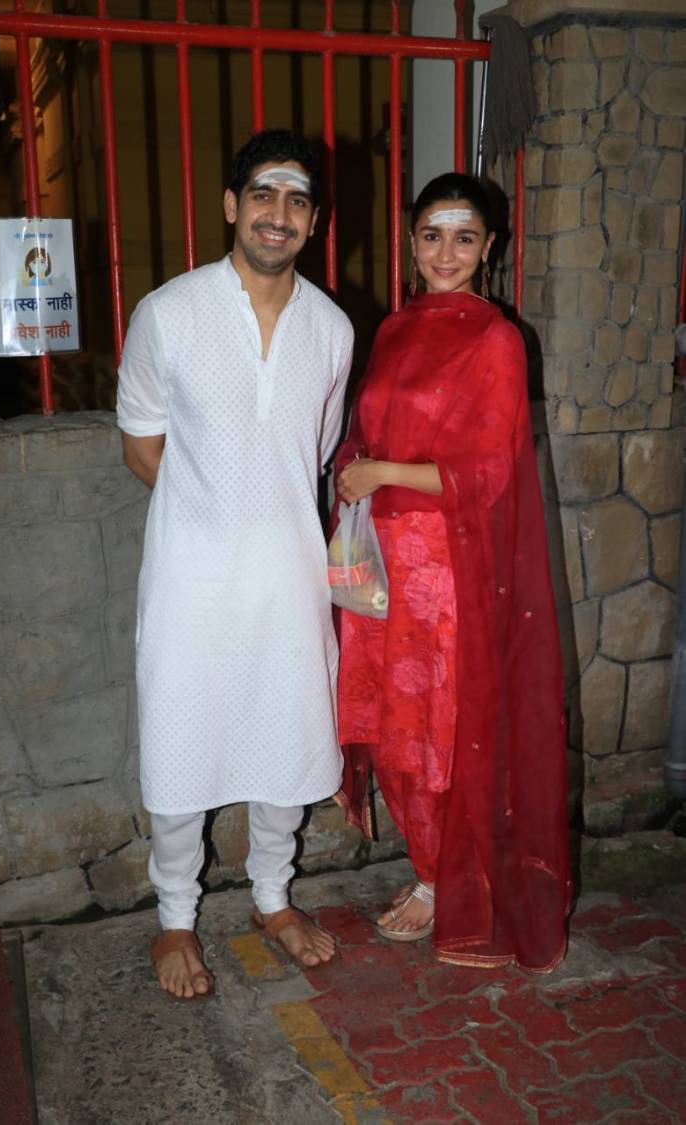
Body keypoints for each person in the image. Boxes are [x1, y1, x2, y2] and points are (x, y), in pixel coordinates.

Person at [117, 130, 354, 999]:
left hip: (289, 578)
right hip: (191, 578)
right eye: (262, 194)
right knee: (183, 739)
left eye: (296, 200)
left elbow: (312, 453)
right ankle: (174, 919)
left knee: (286, 735)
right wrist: (213, 514)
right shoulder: (167, 312)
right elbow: (142, 444)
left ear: (313, 219)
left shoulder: (331, 328)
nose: (277, 213)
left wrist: (263, 519)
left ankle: (271, 897)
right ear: (231, 205)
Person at [333, 172, 570, 973]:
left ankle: (448, 884)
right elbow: (371, 432)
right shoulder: (396, 329)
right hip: (375, 563)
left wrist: (383, 474)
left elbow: (486, 473)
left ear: (489, 248)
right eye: (432, 234)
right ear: (410, 241)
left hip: (445, 571)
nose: (446, 252)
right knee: (387, 732)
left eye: (464, 238)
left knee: (439, 736)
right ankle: (427, 868)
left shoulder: (496, 340)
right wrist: (353, 470)